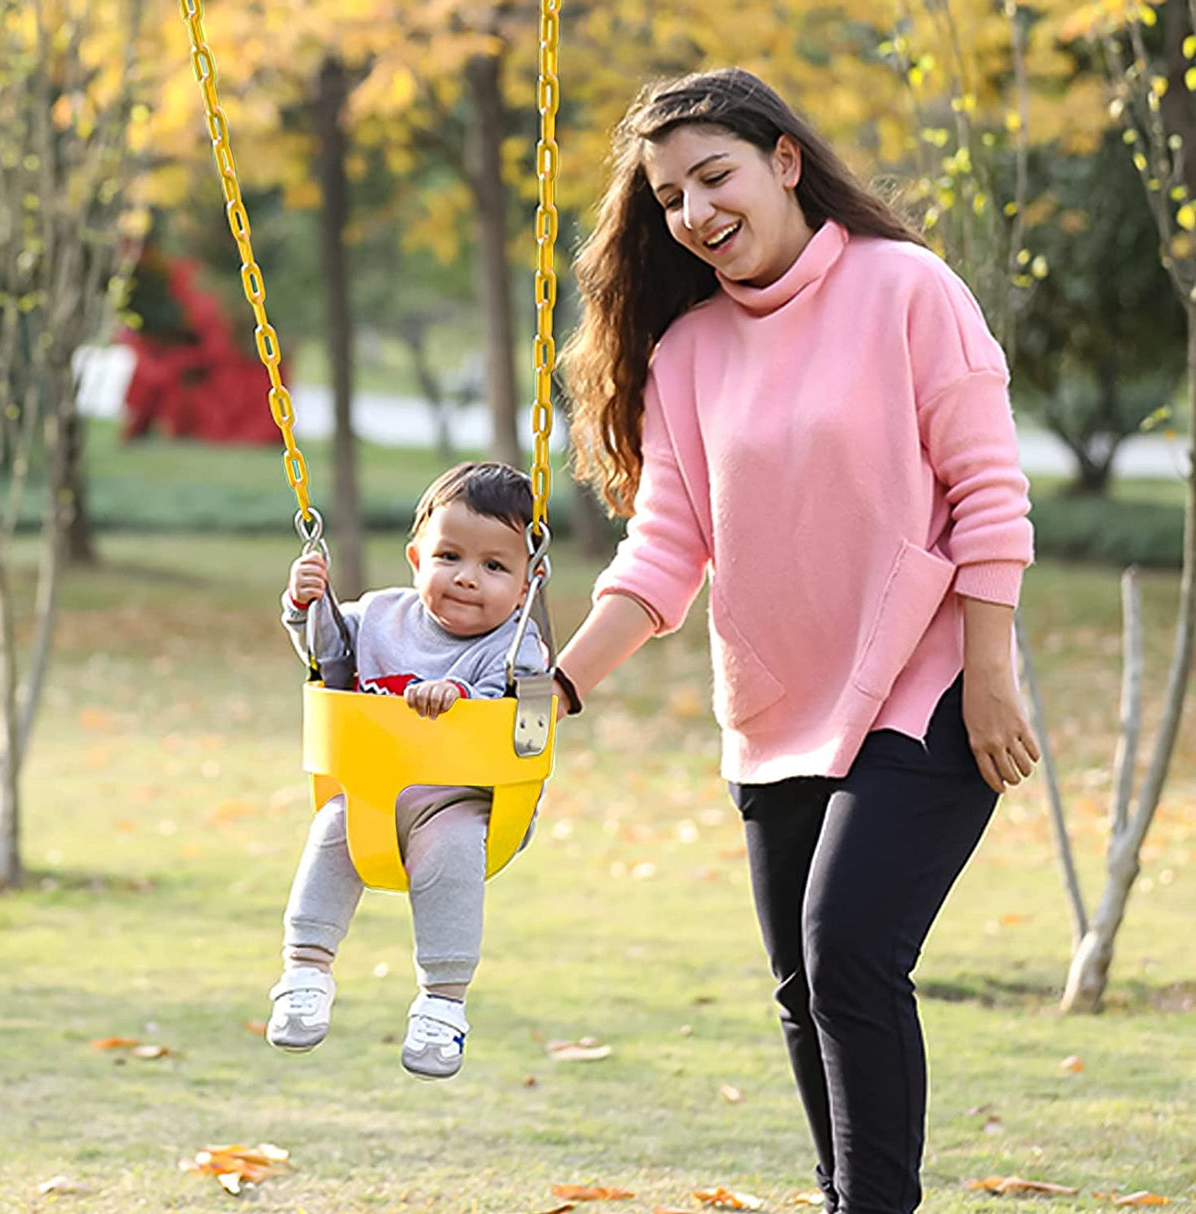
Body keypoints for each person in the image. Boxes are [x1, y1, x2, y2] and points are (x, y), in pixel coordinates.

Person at [553, 69, 1040, 1213]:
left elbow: (987, 492)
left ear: (782, 160)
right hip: (776, 704)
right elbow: (665, 550)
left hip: (922, 682)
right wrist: (554, 684)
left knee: (847, 952)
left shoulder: (905, 288)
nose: (693, 211)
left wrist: (988, 673)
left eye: (712, 175)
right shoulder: (686, 354)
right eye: (670, 196)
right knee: (800, 984)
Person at [268, 461, 546, 1080]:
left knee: (450, 852)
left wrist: (462, 695)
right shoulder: (378, 615)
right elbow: (328, 656)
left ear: (527, 585)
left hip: (463, 804)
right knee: (331, 832)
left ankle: (443, 1005)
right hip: (370, 796)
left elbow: (518, 694)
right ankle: (305, 972)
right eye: (450, 555)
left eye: (495, 566)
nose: (468, 578)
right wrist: (305, 603)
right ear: (417, 559)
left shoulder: (514, 643)